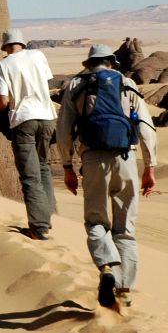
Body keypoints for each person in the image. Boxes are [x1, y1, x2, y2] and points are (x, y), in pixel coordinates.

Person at [57, 44, 158, 312]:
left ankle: (106, 269)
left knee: (95, 222)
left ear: (89, 64)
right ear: (111, 62)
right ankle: (124, 291)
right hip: (126, 159)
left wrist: (67, 166)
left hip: (93, 161)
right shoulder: (126, 83)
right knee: (125, 229)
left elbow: (64, 129)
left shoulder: (76, 85)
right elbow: (146, 127)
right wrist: (150, 167)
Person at [0, 29, 57, 241]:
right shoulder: (38, 55)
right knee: (44, 166)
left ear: (6, 47)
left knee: (30, 175)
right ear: (21, 43)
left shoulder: (3, 65)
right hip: (47, 117)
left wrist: (9, 107)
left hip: (24, 119)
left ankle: (38, 227)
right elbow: (46, 83)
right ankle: (46, 216)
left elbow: (2, 102)